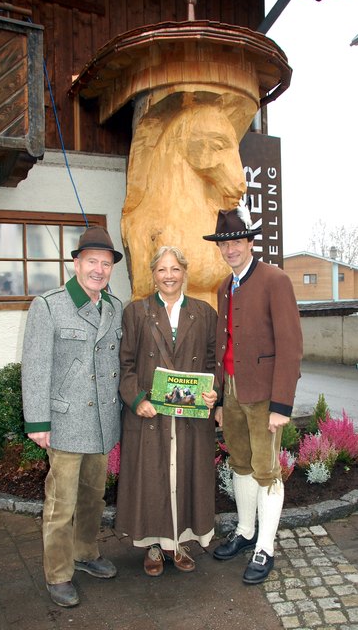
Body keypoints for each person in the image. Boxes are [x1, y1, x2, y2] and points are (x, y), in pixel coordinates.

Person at [21, 226, 123, 607]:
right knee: (60, 504)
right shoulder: (48, 304)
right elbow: (34, 367)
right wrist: (37, 422)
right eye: (92, 261)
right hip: (64, 423)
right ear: (77, 262)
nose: (99, 269)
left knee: (93, 498)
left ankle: (85, 553)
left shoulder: (115, 307)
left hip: (101, 425)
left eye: (106, 263)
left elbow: (118, 363)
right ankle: (59, 573)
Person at [203, 205, 302, 585]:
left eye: (236, 241)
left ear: (249, 242)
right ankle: (245, 532)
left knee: (266, 469)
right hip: (231, 389)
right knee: (240, 463)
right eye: (224, 244)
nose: (230, 250)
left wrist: (281, 405)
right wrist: (221, 401)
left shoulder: (275, 280)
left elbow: (291, 345)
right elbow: (222, 346)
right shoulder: (223, 287)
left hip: (264, 395)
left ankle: (265, 546)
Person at [115, 246, 218, 577]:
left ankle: (180, 542)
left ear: (184, 272)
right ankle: (154, 545)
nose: (169, 275)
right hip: (150, 414)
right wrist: (136, 399)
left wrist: (214, 392)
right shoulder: (136, 312)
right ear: (153, 274)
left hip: (190, 415)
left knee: (186, 475)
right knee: (153, 477)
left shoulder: (204, 313)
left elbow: (214, 360)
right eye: (162, 270)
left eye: (175, 269)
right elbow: (126, 364)